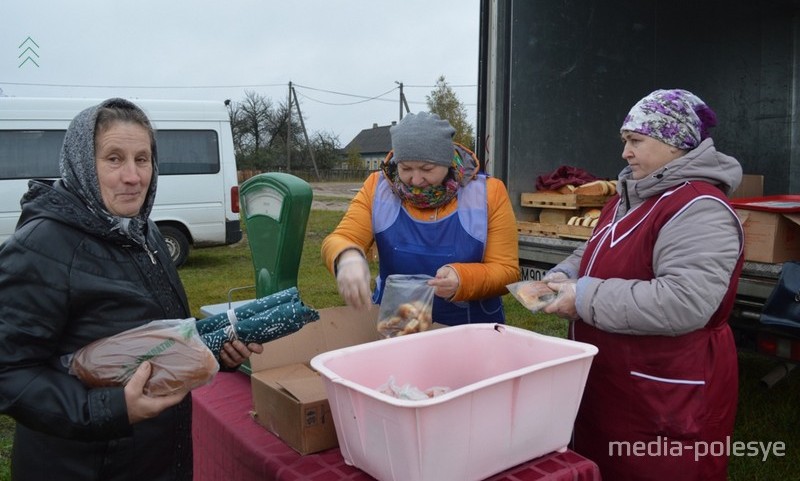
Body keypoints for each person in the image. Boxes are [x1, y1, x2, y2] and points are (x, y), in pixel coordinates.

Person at [0, 98, 262, 481]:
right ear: (82, 164)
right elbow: (10, 372)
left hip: (154, 457)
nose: (133, 176)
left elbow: (159, 337)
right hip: (85, 466)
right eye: (114, 159)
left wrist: (212, 353)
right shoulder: (42, 246)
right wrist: (111, 409)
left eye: (142, 159)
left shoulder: (143, 231)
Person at [541, 89, 744, 480]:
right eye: (624, 142)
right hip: (613, 379)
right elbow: (596, 252)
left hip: (667, 390)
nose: (625, 153)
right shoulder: (626, 200)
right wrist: (566, 273)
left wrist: (582, 297)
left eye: (636, 141)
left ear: (675, 144)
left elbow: (683, 301)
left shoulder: (700, 208)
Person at [322, 112, 519, 325]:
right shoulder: (377, 188)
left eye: (427, 169)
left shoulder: (488, 193)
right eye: (405, 168)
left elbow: (506, 270)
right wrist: (347, 256)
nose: (415, 180)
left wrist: (463, 278)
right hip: (397, 327)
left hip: (471, 330)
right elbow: (341, 238)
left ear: (448, 162)